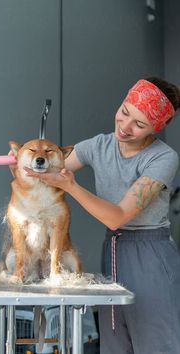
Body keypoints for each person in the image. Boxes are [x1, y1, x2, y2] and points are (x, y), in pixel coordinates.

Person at [24, 77, 180, 354]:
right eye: (124, 112)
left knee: (155, 344)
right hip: (114, 251)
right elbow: (54, 169)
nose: (125, 127)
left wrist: (70, 186)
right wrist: (29, 161)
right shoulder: (98, 146)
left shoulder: (162, 158)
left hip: (151, 256)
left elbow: (117, 216)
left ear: (158, 127)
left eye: (139, 124)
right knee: (114, 342)